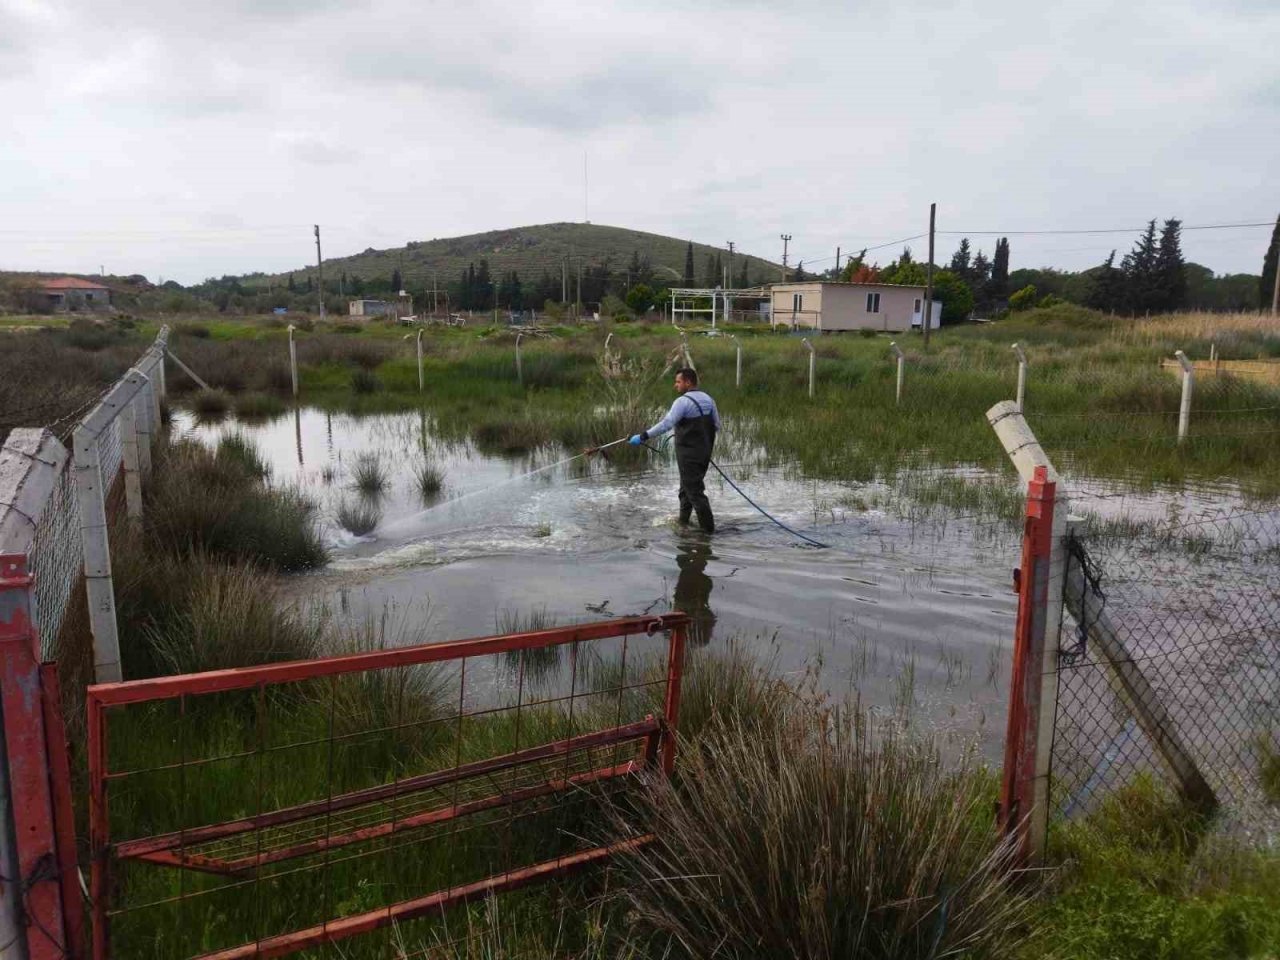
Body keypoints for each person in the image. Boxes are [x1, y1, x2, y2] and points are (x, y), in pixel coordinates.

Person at [630, 367, 721, 533]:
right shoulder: (709, 399)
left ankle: (708, 534)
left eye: (678, 382)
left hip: (688, 456)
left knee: (695, 493)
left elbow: (666, 424)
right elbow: (717, 426)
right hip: (704, 454)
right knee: (686, 490)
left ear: (688, 382)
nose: (675, 385)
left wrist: (643, 436)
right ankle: (683, 523)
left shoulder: (682, 402)